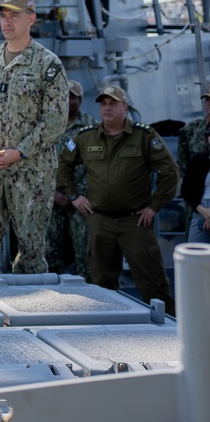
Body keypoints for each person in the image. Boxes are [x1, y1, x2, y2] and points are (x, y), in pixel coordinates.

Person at [0, 0, 69, 281]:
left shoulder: (48, 65)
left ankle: (30, 307)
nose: (7, 22)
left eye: (14, 16)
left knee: (30, 249)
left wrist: (20, 152)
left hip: (30, 171)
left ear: (31, 19)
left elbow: (55, 120)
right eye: (4, 16)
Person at [56, 85, 178, 316]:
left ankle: (171, 328)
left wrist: (154, 207)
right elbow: (63, 166)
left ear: (125, 107)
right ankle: (107, 328)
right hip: (99, 221)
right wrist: (74, 196)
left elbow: (170, 172)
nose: (107, 108)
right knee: (102, 284)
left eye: (113, 103)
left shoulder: (144, 136)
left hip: (136, 222)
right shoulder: (85, 137)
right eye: (103, 103)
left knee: (152, 281)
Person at [46, 79, 97, 278]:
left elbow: (95, 167)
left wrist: (75, 194)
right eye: (63, 96)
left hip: (81, 200)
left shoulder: (91, 128)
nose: (67, 101)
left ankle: (88, 292)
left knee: (84, 249)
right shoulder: (47, 127)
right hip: (51, 198)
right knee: (49, 251)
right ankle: (50, 294)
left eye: (72, 97)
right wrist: (53, 194)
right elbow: (35, 165)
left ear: (80, 100)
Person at [176, 85, 210, 182]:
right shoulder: (191, 128)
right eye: (207, 99)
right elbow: (182, 158)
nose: (209, 103)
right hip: (197, 184)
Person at [180, 150, 210, 245]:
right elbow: (186, 190)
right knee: (194, 253)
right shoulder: (198, 160)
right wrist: (204, 212)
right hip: (200, 211)